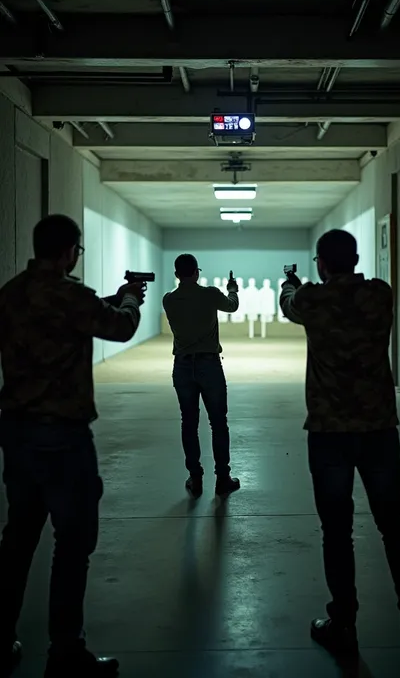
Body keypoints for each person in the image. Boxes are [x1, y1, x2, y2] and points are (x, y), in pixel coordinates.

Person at [0, 214, 147, 678]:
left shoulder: (11, 294)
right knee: (72, 542)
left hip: (18, 432)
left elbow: (59, 316)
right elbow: (120, 328)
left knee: (18, 540)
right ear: (69, 252)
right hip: (63, 437)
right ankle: (65, 650)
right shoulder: (71, 297)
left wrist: (105, 299)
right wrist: (128, 300)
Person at [280, 229, 400, 654]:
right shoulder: (379, 294)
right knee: (394, 524)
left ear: (322, 263)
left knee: (337, 531)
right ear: (358, 257)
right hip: (379, 428)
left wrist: (292, 284)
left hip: (330, 433)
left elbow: (290, 306)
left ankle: (343, 622)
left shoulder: (312, 299)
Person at [163, 254, 240, 498]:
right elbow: (232, 306)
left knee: (189, 422)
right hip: (209, 365)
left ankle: (195, 479)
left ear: (177, 274)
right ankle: (222, 479)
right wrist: (232, 289)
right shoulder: (210, 294)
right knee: (218, 423)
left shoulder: (169, 300)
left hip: (183, 367)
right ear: (197, 272)